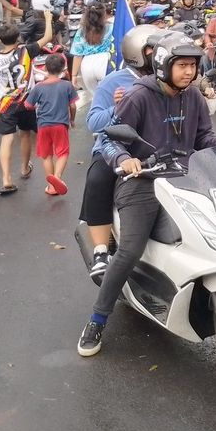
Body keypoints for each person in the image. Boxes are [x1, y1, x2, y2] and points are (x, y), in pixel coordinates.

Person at [77, 31, 216, 357]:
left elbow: (203, 138)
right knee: (129, 250)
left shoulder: (194, 97)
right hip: (143, 181)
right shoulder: (139, 96)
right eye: (181, 65)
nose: (188, 72)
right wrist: (126, 160)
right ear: (163, 65)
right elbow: (110, 140)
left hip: (185, 179)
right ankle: (98, 319)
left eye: (192, 66)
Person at [81, 24, 162, 281]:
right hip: (116, 148)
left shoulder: (166, 79)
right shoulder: (114, 81)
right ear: (138, 52)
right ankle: (101, 252)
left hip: (156, 147)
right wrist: (117, 107)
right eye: (153, 50)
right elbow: (94, 123)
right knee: (98, 179)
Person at [0, 13, 54, 193]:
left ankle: (6, 178)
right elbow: (48, 37)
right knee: (25, 134)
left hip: (6, 103)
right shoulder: (26, 51)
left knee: (7, 138)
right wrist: (48, 19)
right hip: (27, 101)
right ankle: (25, 168)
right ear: (18, 37)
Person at [25, 52, 78, 196]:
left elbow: (28, 105)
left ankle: (51, 186)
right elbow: (73, 106)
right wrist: (72, 120)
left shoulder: (39, 87)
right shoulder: (67, 86)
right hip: (60, 125)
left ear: (45, 68)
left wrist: (36, 107)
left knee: (47, 155)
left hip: (43, 125)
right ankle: (57, 177)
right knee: (63, 153)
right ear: (63, 69)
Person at [69, 4, 112, 88]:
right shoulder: (112, 27)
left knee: (95, 96)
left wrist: (74, 75)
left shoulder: (81, 31)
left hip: (87, 65)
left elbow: (77, 55)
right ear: (104, 13)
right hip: (106, 62)